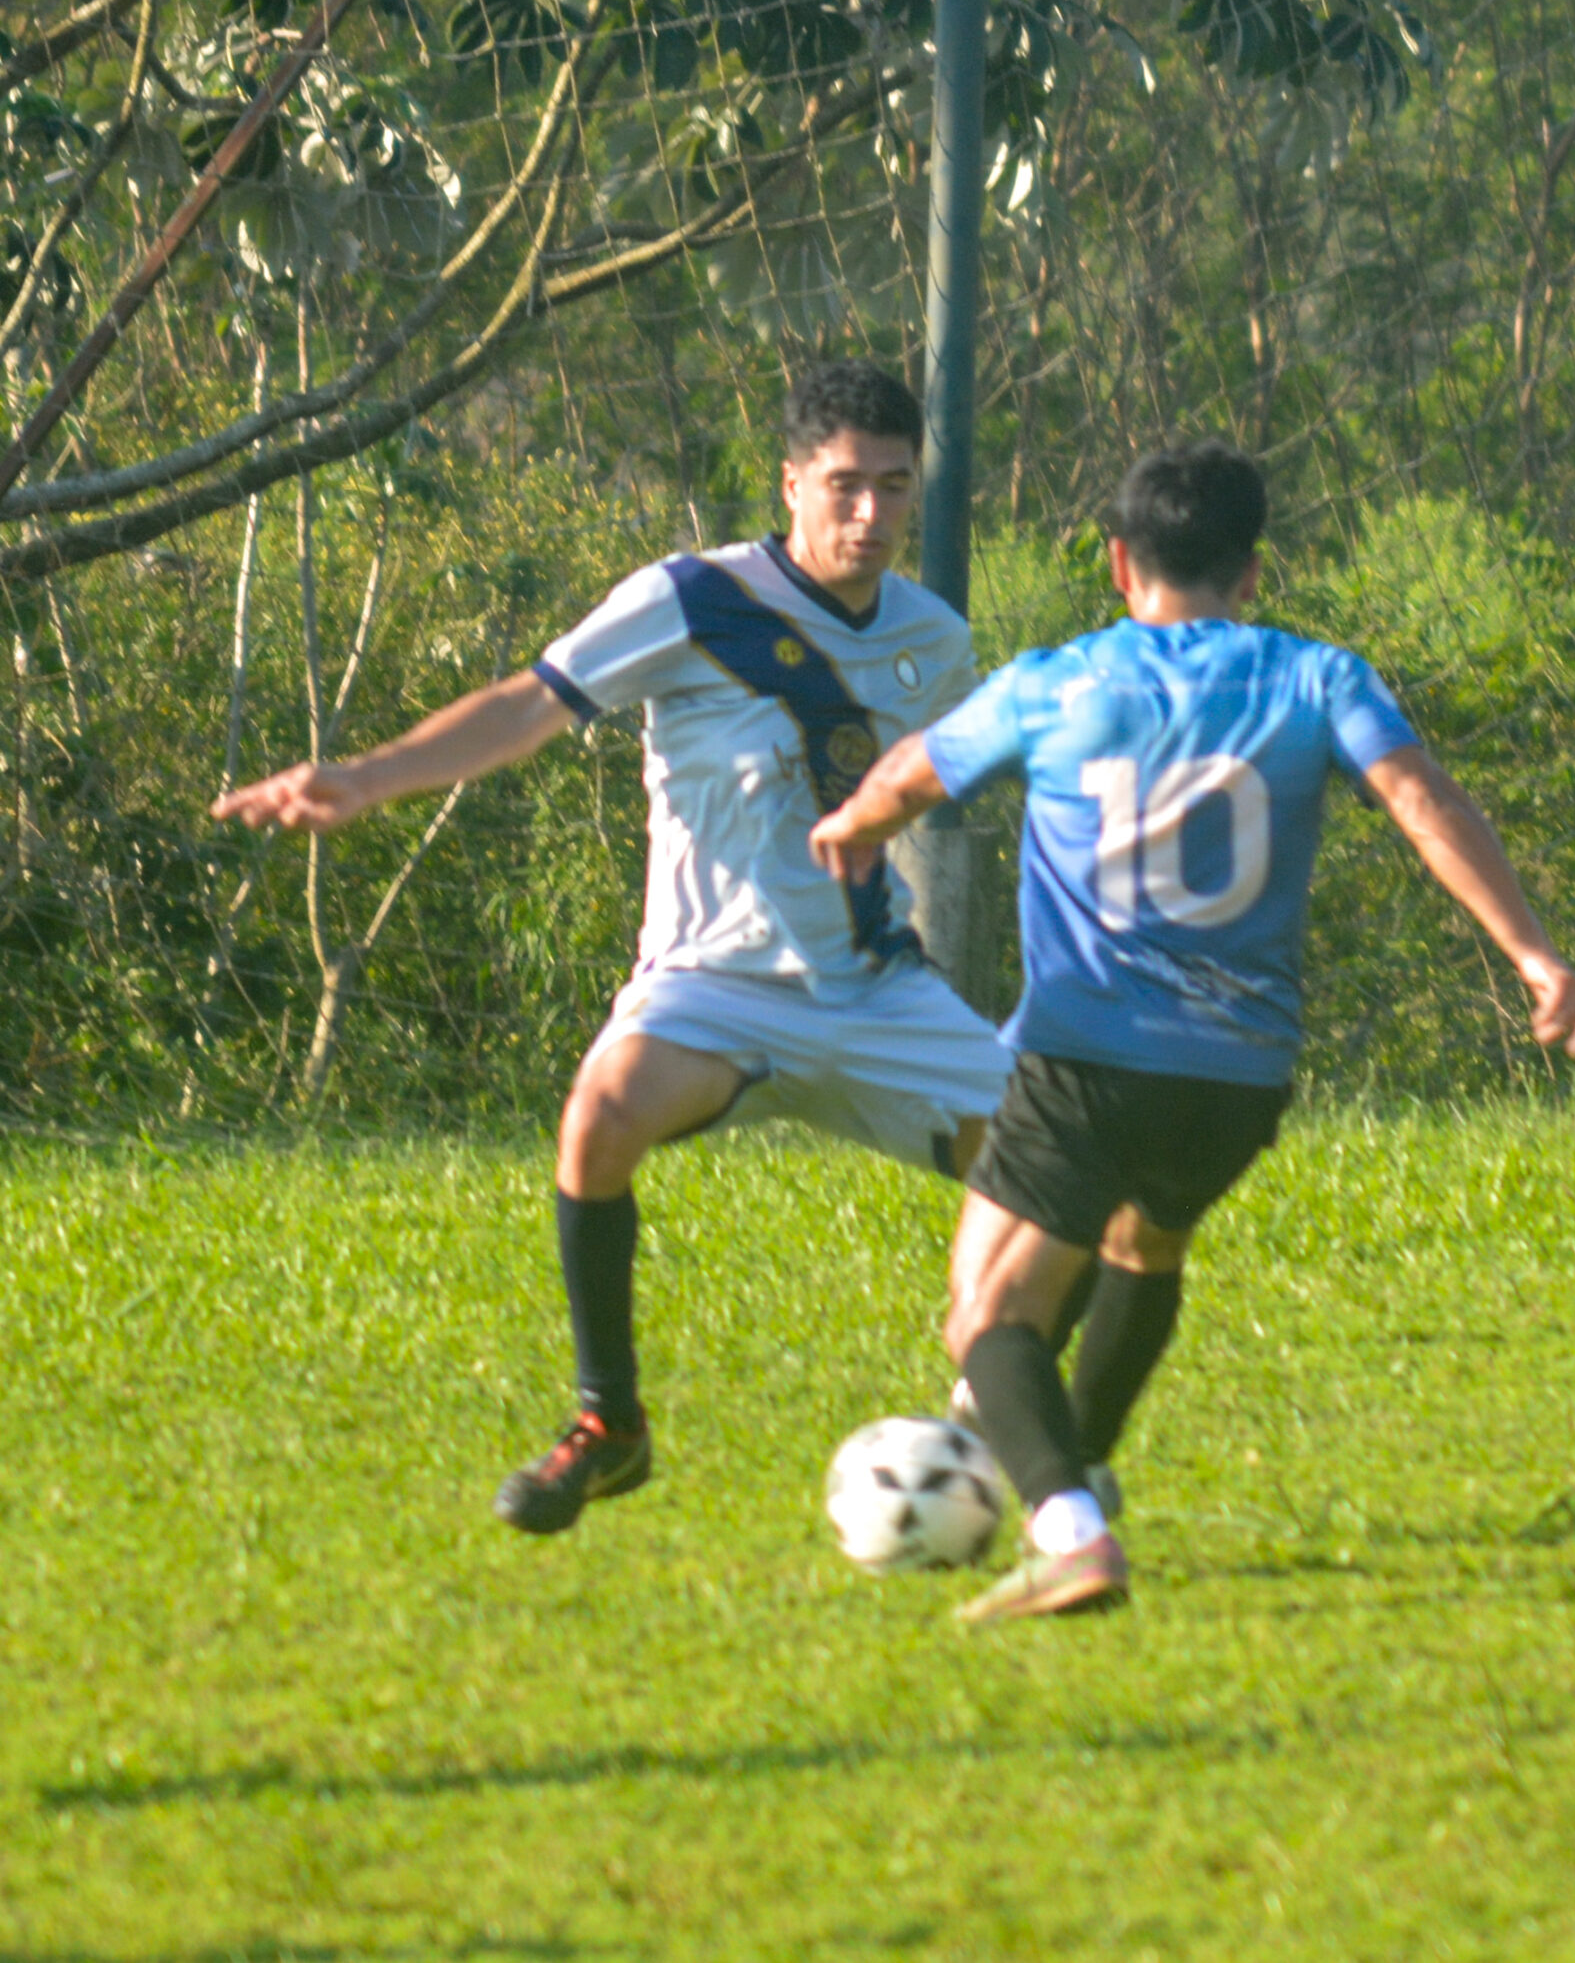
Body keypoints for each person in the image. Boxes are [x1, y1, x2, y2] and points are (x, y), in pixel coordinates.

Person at [810, 439, 1575, 1621]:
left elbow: (910, 779)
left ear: (1116, 563)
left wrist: (850, 828)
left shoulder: (1059, 682)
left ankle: (1069, 1531)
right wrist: (1536, 958)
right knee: (1144, 1246)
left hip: (1091, 1055)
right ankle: (1080, 1465)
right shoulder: (1318, 677)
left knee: (987, 1314)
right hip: (1241, 1073)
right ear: (1250, 573)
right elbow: (1422, 800)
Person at [216, 360, 1012, 1534]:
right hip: (712, 989)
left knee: (1072, 1174)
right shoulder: (691, 600)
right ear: (790, 482)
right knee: (598, 1116)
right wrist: (369, 779)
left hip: (875, 989)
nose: (870, 513)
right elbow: (527, 704)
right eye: (845, 485)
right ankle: (609, 1423)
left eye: (894, 487)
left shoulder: (933, 641)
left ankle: (1003, 1423)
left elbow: (951, 779)